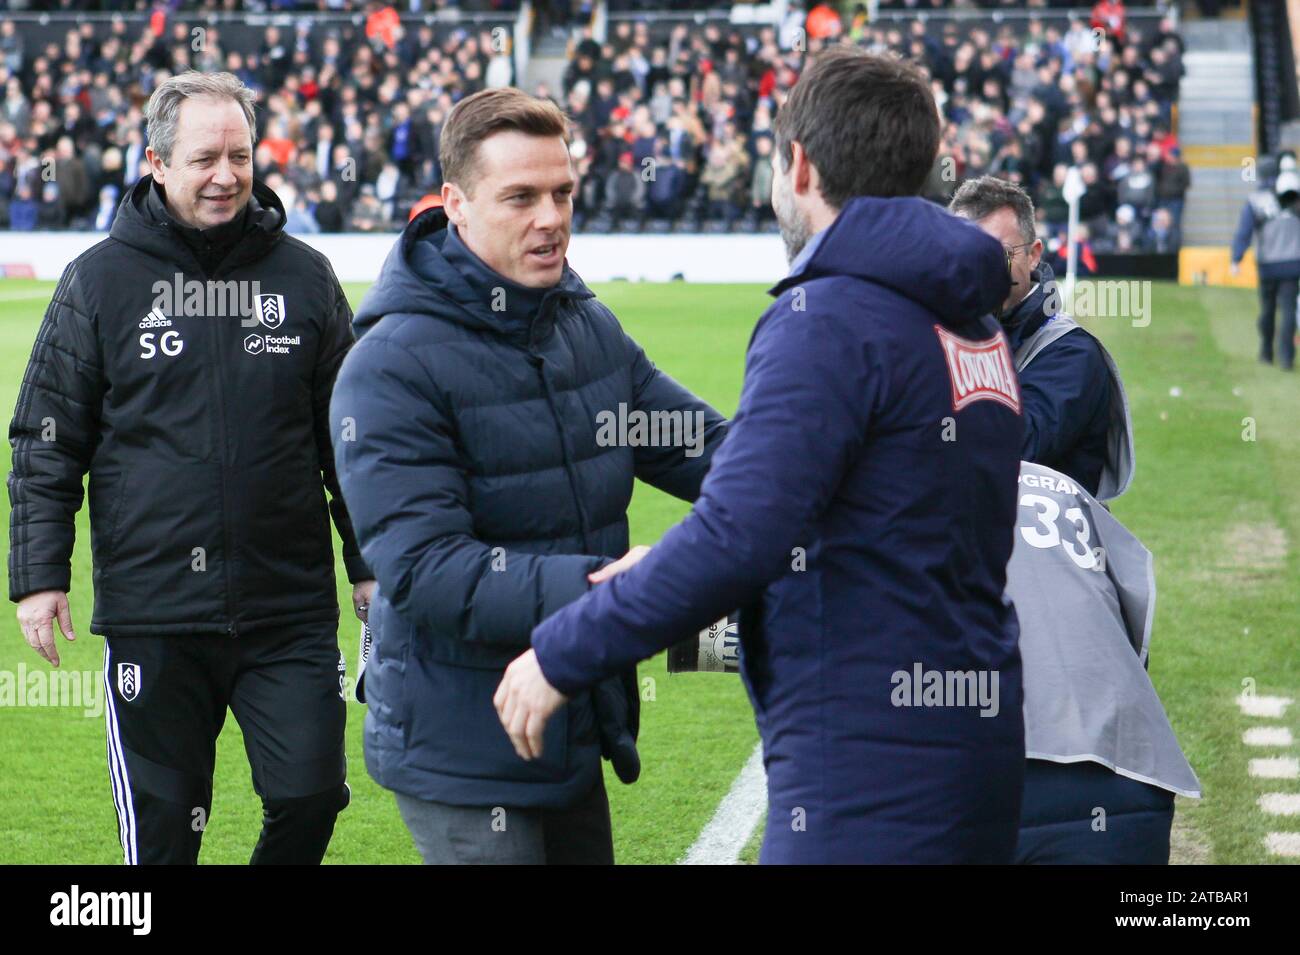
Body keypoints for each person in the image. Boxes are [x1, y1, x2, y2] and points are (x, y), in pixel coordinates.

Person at [493, 48, 1025, 864]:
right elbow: (868, 520)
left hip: (869, 770)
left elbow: (741, 535)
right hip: (967, 742)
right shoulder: (969, 316)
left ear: (799, 166)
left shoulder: (830, 314)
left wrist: (564, 650)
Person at [328, 87, 726, 865]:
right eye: (521, 197)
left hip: (568, 713)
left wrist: (826, 467)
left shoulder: (585, 326)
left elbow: (709, 448)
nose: (551, 217)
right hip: (463, 745)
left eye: (562, 193)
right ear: (456, 205)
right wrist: (613, 589)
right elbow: (427, 570)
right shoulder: (390, 366)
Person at [8, 71, 373, 865]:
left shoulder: (305, 277)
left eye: (239, 155)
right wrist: (40, 574)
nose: (226, 175)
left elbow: (350, 438)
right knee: (166, 837)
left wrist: (369, 561)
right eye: (205, 156)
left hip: (288, 608)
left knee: (313, 795)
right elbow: (45, 437)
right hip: (156, 612)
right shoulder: (99, 281)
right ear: (156, 163)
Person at [950, 176, 1134, 500]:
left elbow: (1015, 450)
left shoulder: (1070, 351)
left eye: (995, 255)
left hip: (1042, 545)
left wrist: (974, 330)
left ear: (1033, 254)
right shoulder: (944, 327)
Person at [1231, 161, 1300, 370]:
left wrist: (1236, 258)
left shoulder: (1256, 200)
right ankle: (1286, 357)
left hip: (1267, 264)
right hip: (1293, 263)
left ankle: (1266, 352)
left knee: (1268, 309)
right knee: (1288, 310)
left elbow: (1244, 231)